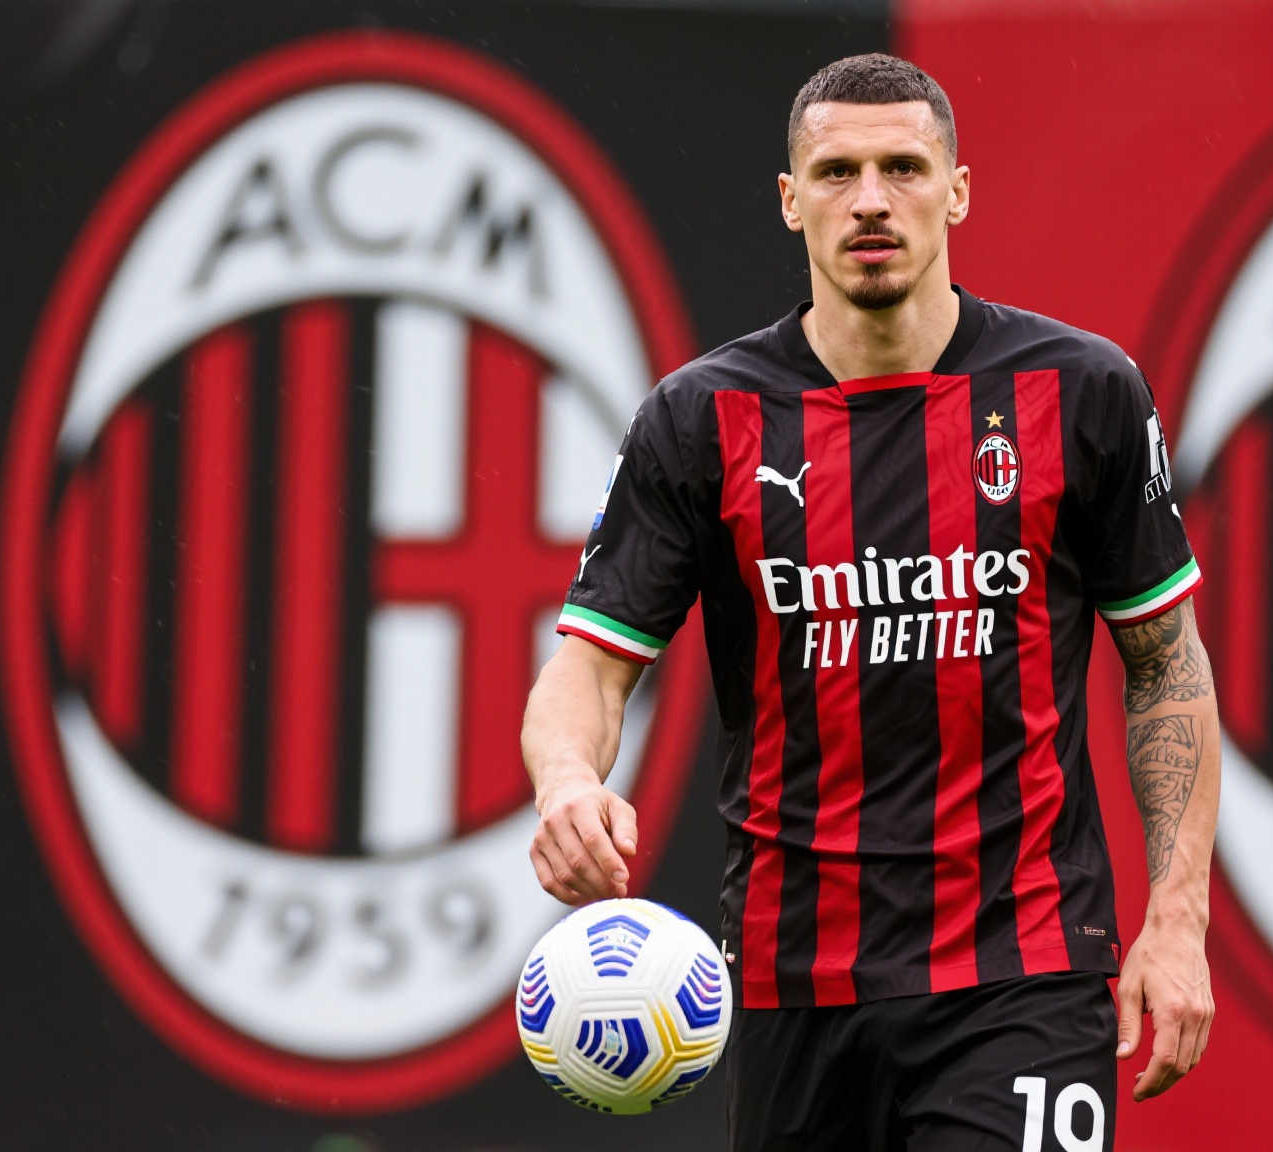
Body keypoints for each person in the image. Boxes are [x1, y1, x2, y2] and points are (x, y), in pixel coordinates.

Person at [521, 52, 1220, 1151]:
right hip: (793, 982)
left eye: (903, 167)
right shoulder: (700, 420)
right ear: (790, 200)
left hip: (1021, 968)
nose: (872, 201)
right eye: (837, 173)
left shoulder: (1081, 390)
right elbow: (593, 667)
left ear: (958, 190)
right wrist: (566, 779)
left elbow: (1165, 661)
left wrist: (1176, 919)